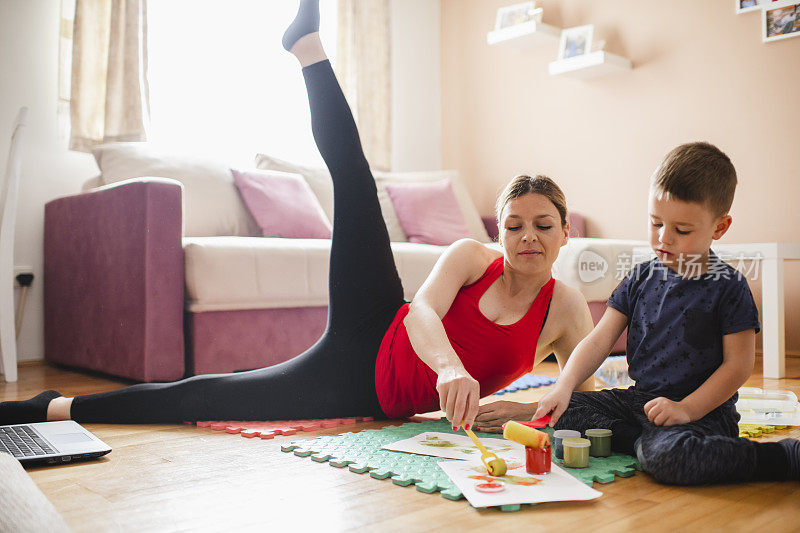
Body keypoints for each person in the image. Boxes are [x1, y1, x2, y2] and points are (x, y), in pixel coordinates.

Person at [0, 0, 594, 431]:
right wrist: (448, 371)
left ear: (566, 233)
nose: (527, 237)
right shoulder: (472, 257)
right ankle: (307, 47)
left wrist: (522, 407)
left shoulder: (564, 308)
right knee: (357, 181)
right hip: (376, 326)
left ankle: (50, 405)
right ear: (499, 230)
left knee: (202, 398)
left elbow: (583, 395)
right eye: (514, 224)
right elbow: (421, 316)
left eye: (544, 225)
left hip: (355, 384)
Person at [531, 141, 800, 484]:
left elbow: (738, 366)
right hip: (640, 403)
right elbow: (599, 339)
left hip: (702, 412)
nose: (663, 238)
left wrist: (686, 409)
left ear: (719, 227)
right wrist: (564, 385)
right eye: (655, 223)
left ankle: (780, 457)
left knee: (675, 458)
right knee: (567, 413)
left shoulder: (728, 286)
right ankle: (645, 444)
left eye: (681, 230)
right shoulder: (640, 276)